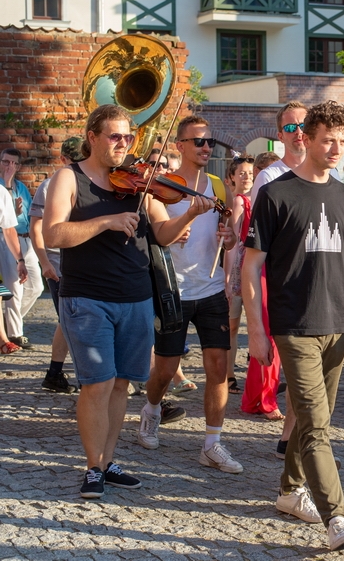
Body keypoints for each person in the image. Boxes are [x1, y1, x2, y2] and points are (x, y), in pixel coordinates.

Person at [43, 104, 214, 498]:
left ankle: (107, 461)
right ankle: (91, 467)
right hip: (87, 298)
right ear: (93, 137)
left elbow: (164, 233)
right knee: (97, 384)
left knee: (121, 384)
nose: (124, 144)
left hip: (136, 296)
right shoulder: (68, 179)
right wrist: (105, 221)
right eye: (115, 136)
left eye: (129, 137)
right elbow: (53, 235)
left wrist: (189, 214)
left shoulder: (141, 180)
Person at [243, 100, 344, 551]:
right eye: (328, 139)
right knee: (318, 425)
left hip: (336, 325)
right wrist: (255, 330)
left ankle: (289, 491)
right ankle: (337, 518)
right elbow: (250, 268)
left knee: (309, 420)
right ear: (306, 137)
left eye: (342, 142)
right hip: (292, 324)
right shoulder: (276, 194)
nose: (335, 149)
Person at [138, 115, 240, 474]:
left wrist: (230, 240)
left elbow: (230, 236)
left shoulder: (217, 185)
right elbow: (163, 236)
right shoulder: (161, 185)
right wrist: (187, 219)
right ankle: (151, 410)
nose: (206, 147)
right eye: (198, 141)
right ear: (179, 146)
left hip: (211, 288)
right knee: (165, 370)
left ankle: (212, 443)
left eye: (208, 141)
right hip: (174, 290)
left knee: (218, 367)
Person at [243, 103, 309, 451]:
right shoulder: (269, 178)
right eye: (290, 128)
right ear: (280, 134)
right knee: (290, 356)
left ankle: (293, 439)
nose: (299, 133)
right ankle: (291, 438)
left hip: (315, 284)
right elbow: (258, 242)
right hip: (279, 278)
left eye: (304, 126)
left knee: (309, 367)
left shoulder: (329, 175)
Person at [32, 137, 80, 392]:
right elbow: (35, 227)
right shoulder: (50, 185)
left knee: (69, 319)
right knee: (69, 318)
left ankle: (55, 371)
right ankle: (60, 372)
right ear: (62, 160)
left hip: (81, 261)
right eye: (73, 160)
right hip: (57, 261)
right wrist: (44, 263)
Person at [0, 148, 42, 349]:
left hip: (27, 239)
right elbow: (7, 222)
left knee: (36, 286)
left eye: (14, 163)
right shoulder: (2, 187)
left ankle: (8, 324)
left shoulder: (21, 187)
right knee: (14, 287)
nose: (10, 167)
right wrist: (7, 184)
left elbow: (30, 212)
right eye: (6, 162)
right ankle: (15, 334)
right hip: (8, 239)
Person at [223, 155, 255, 395]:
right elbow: (232, 241)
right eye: (241, 173)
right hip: (240, 266)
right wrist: (228, 277)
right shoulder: (238, 202)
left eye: (250, 173)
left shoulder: (256, 199)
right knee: (233, 325)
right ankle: (229, 374)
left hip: (252, 264)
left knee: (252, 324)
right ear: (232, 177)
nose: (246, 177)